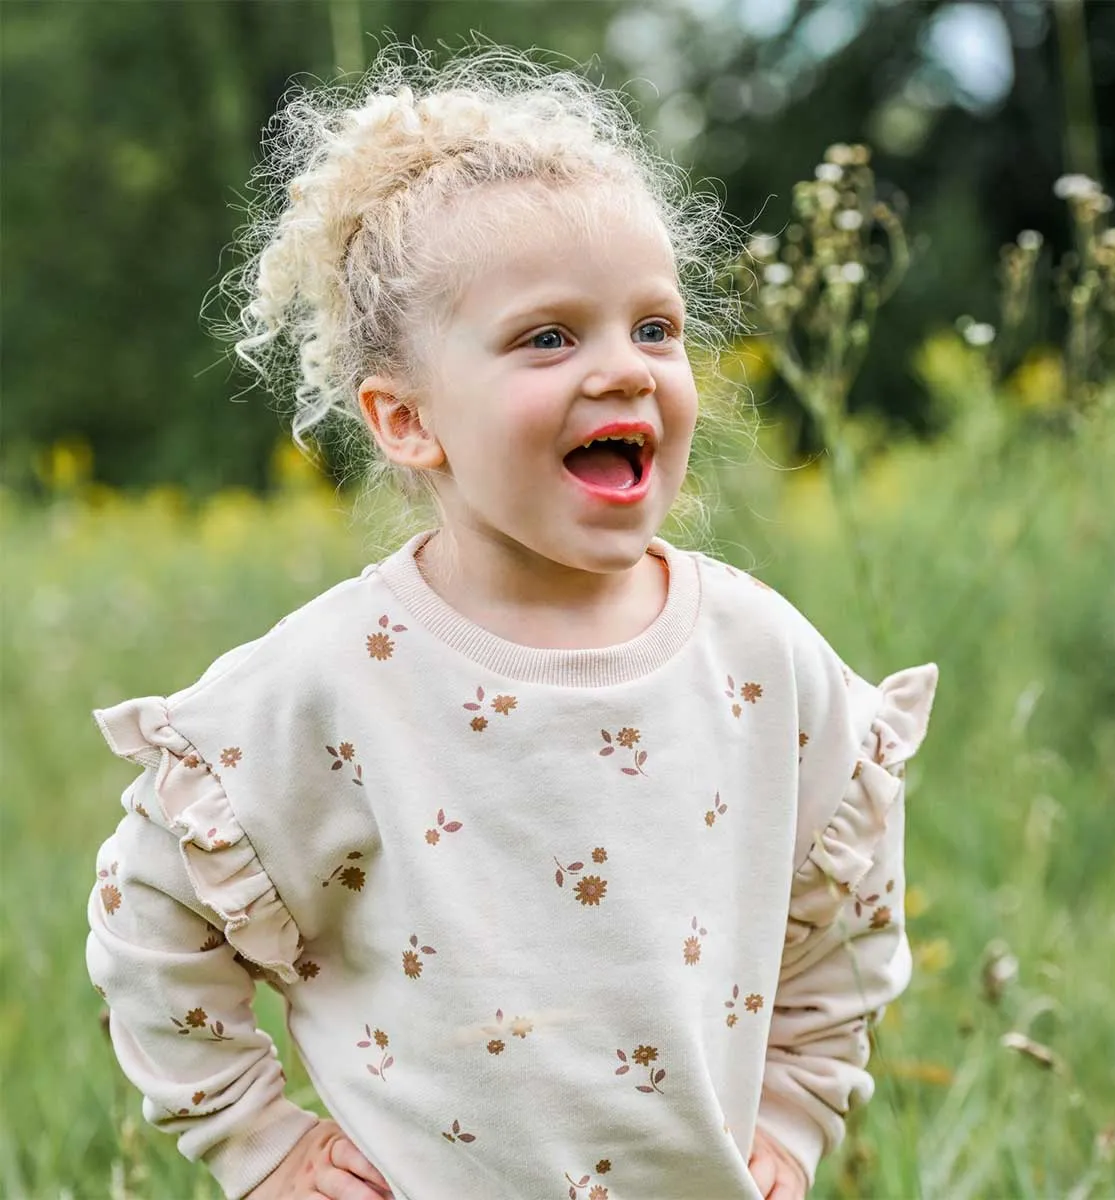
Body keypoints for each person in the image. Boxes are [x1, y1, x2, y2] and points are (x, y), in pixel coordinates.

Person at [85, 41, 937, 1200]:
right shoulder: (335, 680)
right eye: (550, 336)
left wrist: (791, 1106)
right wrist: (261, 1144)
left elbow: (847, 908)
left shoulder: (758, 653)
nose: (627, 370)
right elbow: (151, 920)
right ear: (404, 420)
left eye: (655, 327)